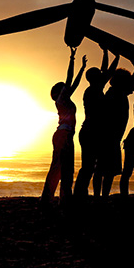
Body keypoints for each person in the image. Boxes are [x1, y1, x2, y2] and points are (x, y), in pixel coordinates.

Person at [93, 62, 134, 198]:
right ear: (122, 82)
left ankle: (100, 197)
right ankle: (99, 197)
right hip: (109, 137)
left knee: (105, 170)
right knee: (104, 170)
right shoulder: (116, 93)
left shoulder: (116, 92)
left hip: (110, 137)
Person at [40, 47, 87, 206]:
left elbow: (74, 83)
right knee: (61, 169)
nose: (67, 88)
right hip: (63, 135)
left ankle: (57, 199)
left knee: (62, 168)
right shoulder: (61, 100)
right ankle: (56, 200)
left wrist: (82, 68)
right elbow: (69, 78)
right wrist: (72, 59)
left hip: (65, 135)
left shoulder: (64, 99)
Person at [74, 47, 119, 198]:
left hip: (90, 132)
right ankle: (80, 195)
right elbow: (107, 72)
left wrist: (106, 52)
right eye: (99, 75)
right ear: (95, 78)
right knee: (88, 167)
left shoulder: (93, 88)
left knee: (90, 166)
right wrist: (114, 55)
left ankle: (81, 195)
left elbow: (105, 70)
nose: (103, 76)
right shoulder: (93, 89)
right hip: (90, 132)